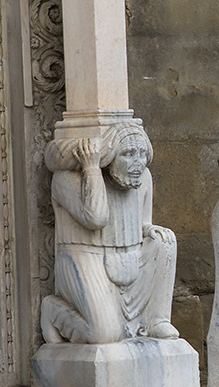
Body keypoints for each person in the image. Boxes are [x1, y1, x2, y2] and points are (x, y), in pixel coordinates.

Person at [41, 122, 179, 345]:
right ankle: (54, 311)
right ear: (109, 156)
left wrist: (149, 230)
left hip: (130, 259)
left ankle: (156, 319)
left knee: (165, 240)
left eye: (142, 154)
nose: (138, 163)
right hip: (87, 257)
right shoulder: (66, 179)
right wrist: (92, 169)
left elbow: (143, 222)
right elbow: (96, 218)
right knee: (103, 335)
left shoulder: (143, 178)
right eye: (128, 154)